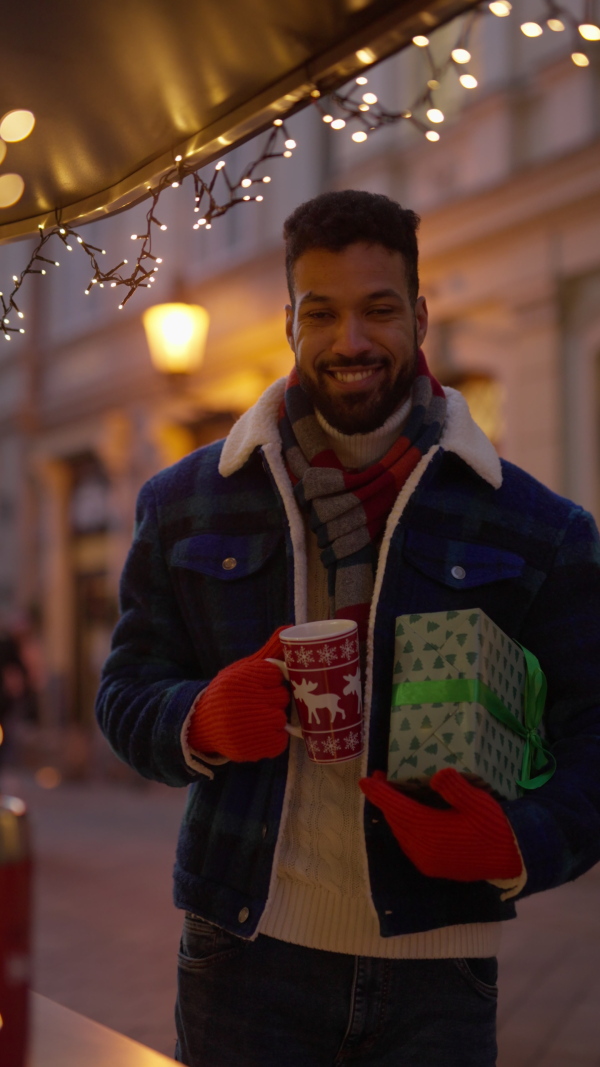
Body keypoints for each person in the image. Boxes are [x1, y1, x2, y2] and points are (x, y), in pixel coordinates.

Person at [96, 190, 600, 1067]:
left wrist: (520, 844)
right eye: (322, 312)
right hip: (244, 954)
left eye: (379, 309)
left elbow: (596, 735)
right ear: (289, 321)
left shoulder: (537, 524)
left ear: (420, 316)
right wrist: (199, 717)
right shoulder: (186, 502)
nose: (352, 341)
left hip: (439, 976)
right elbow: (124, 691)